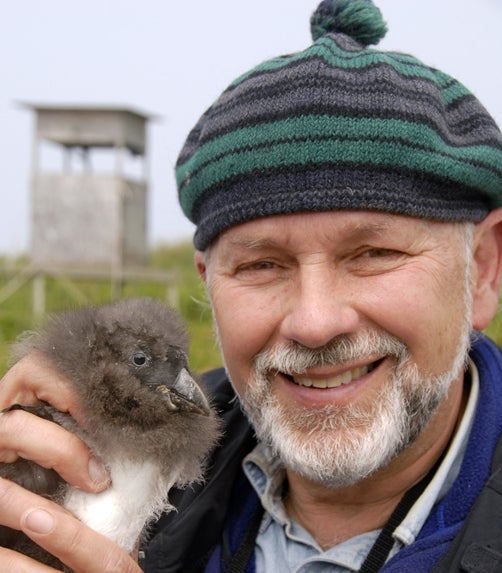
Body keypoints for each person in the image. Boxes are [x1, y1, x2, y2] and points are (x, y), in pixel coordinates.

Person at [1, 0, 502, 571]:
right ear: (209, 283)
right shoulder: (101, 449)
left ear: (483, 268)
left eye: (373, 253)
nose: (314, 322)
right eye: (262, 265)